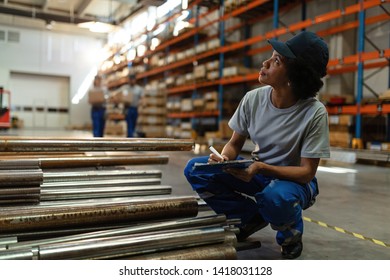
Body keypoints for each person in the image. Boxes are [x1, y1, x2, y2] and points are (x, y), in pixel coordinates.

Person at [184, 31, 330, 259]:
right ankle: (248, 217)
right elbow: (234, 143)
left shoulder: (314, 113)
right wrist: (224, 159)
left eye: (276, 61)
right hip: (258, 171)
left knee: (276, 196)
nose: (265, 63)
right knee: (197, 170)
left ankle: (290, 236)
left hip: (294, 183)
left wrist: (261, 168)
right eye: (271, 57)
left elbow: (306, 172)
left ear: (295, 75)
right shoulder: (253, 99)